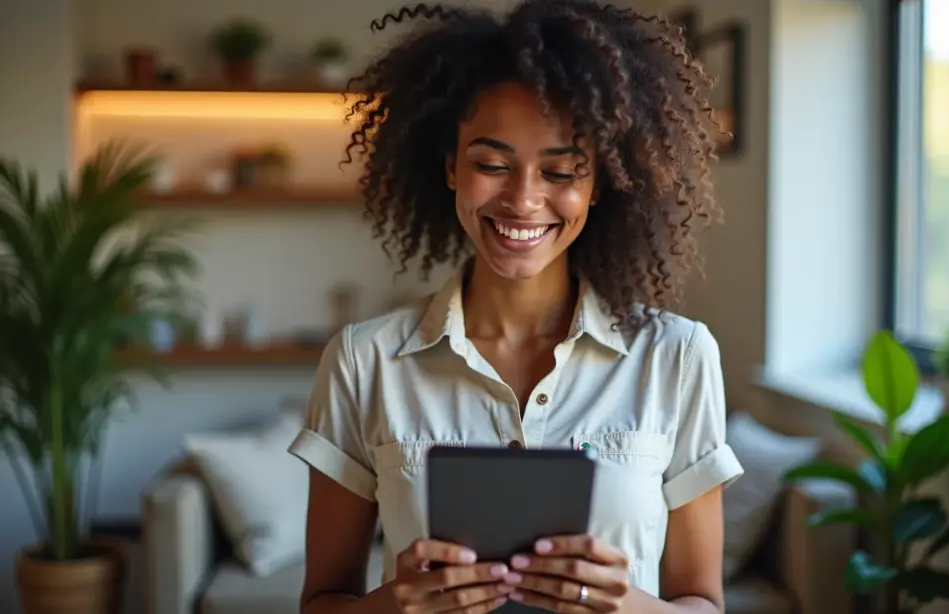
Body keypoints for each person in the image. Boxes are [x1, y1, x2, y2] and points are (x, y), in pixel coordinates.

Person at [287, 1, 744, 613]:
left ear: (598, 184)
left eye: (562, 171)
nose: (524, 200)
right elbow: (321, 603)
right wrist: (399, 603)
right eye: (492, 165)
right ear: (451, 168)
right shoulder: (364, 360)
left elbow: (703, 604)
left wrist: (624, 605)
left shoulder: (677, 357)